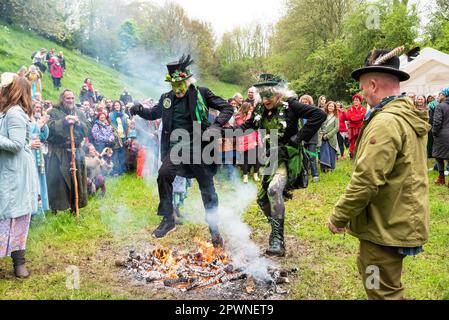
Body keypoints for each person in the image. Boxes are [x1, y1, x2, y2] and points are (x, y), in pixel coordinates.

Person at [329, 47, 431, 300]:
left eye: (363, 88)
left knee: (382, 291)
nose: (362, 94)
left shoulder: (386, 122)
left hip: (386, 223)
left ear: (373, 85)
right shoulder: (405, 114)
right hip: (396, 217)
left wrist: (338, 216)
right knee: (380, 282)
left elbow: (366, 179)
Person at [130, 54, 234, 245]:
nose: (177, 89)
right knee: (163, 174)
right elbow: (154, 112)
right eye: (174, 85)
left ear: (187, 81)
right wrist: (139, 109)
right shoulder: (167, 98)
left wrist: (216, 125)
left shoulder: (201, 93)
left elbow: (227, 108)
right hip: (176, 148)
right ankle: (168, 219)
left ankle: (214, 228)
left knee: (207, 188)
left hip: (199, 147)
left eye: (181, 85)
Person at [237, 74, 326, 257]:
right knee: (262, 200)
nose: (267, 99)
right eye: (264, 95)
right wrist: (222, 132)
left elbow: (319, 114)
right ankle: (277, 231)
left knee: (273, 190)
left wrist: (298, 138)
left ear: (279, 93)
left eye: (271, 94)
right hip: (271, 158)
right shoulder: (260, 109)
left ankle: (277, 239)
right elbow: (247, 125)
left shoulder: (291, 105)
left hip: (288, 157)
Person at [0, 73, 39, 278]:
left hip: (15, 173)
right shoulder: (6, 112)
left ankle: (19, 263)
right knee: (7, 215)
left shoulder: (14, 112)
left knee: (15, 215)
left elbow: (15, 145)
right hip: (8, 170)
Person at [46, 89, 90, 212]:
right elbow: (49, 127)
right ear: (62, 99)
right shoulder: (53, 111)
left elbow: (87, 129)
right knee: (59, 181)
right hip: (60, 151)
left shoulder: (79, 112)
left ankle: (75, 206)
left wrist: (79, 123)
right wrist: (64, 122)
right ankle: (59, 209)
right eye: (67, 98)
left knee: (76, 179)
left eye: (72, 98)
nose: (70, 100)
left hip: (76, 151)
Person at [30, 102, 50, 217]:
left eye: (39, 107)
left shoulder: (37, 120)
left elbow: (43, 137)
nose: (38, 109)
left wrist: (44, 125)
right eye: (36, 107)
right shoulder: (28, 118)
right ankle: (34, 212)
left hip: (38, 152)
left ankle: (40, 209)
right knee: (34, 181)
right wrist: (38, 125)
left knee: (39, 179)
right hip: (30, 151)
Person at [235, 101, 261, 184]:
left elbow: (255, 125)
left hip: (254, 139)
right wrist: (249, 116)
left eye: (252, 109)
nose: (251, 110)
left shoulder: (253, 116)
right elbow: (243, 126)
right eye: (250, 109)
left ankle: (255, 174)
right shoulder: (238, 116)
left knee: (256, 157)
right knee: (245, 158)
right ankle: (245, 175)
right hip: (244, 140)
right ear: (245, 109)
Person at [299, 95, 320, 182]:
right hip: (302, 138)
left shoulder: (313, 112)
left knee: (312, 156)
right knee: (304, 157)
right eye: (303, 102)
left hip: (312, 138)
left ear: (309, 102)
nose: (304, 104)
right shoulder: (299, 113)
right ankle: (305, 174)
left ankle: (315, 175)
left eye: (306, 102)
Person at [432, 87, 449, 187]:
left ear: (445, 95)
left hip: (442, 136)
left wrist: (434, 132)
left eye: (441, 94)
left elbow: (437, 122)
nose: (439, 96)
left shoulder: (440, 106)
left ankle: (441, 178)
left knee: (439, 157)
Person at [318, 101, 340, 172]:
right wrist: (322, 134)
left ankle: (331, 168)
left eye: (332, 106)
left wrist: (328, 135)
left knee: (331, 153)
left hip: (332, 138)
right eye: (329, 106)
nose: (331, 107)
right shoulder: (323, 115)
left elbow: (336, 128)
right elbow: (320, 125)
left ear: (334, 108)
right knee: (324, 152)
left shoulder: (336, 117)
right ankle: (324, 168)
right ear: (327, 107)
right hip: (322, 137)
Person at [109, 100, 128, 175]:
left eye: (118, 105)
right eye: (115, 105)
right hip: (115, 137)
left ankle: (122, 170)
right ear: (113, 106)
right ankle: (116, 171)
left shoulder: (124, 115)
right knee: (115, 155)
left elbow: (126, 126)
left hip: (123, 136)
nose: (117, 106)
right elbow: (110, 125)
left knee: (122, 154)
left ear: (120, 106)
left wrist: (127, 136)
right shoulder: (111, 115)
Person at [346, 93, 366, 159]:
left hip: (360, 127)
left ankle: (359, 154)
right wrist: (357, 117)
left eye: (357, 100)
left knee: (360, 140)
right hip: (352, 127)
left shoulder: (363, 109)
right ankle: (352, 154)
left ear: (360, 101)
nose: (355, 101)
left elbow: (362, 116)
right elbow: (349, 117)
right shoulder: (350, 109)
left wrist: (354, 117)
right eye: (354, 100)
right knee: (352, 141)